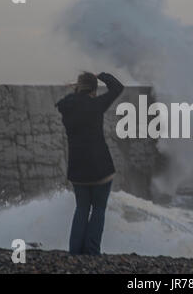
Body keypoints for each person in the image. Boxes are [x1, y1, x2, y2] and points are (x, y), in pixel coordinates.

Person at [56, 71, 124, 255]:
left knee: (82, 208)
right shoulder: (96, 104)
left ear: (78, 87)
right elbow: (118, 88)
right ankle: (92, 251)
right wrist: (102, 75)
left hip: (78, 170)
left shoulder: (67, 107)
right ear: (93, 90)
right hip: (101, 168)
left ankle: (75, 251)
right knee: (99, 209)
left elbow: (71, 99)